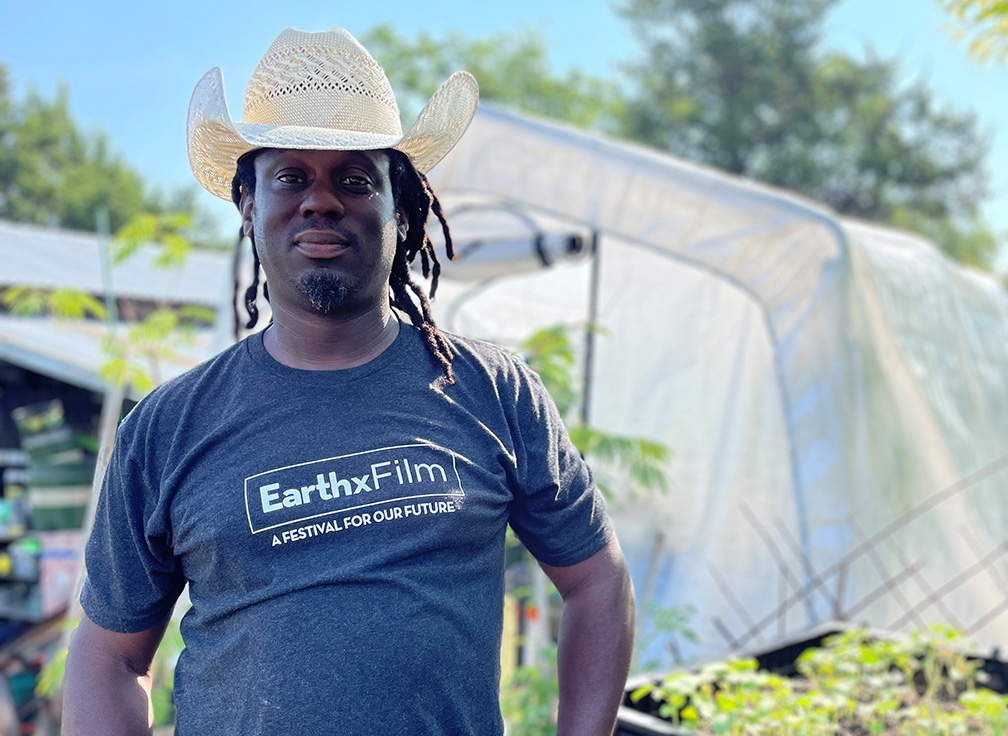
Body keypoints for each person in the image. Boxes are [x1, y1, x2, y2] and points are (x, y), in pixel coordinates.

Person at [62, 27, 634, 736]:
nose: (321, 200)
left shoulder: (493, 391)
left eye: (355, 179)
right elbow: (110, 657)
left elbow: (595, 580)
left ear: (401, 210)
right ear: (247, 204)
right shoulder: (167, 428)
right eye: (292, 176)